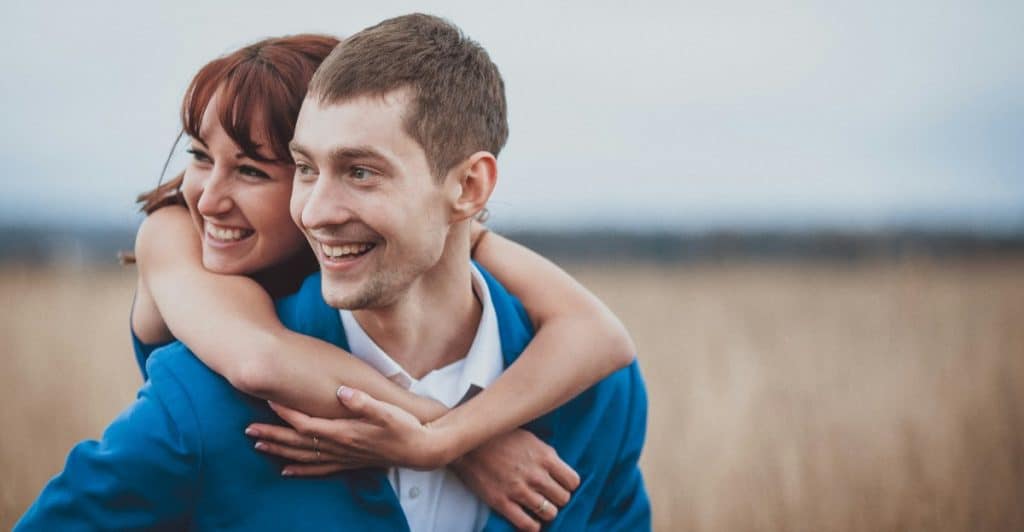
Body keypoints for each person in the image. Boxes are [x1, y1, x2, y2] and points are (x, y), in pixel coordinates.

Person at [17, 15, 649, 532]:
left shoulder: (594, 398)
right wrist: (456, 439)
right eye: (309, 167)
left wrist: (454, 434)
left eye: (361, 170)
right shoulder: (195, 350)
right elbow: (258, 360)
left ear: (467, 187)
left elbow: (597, 332)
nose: (208, 196)